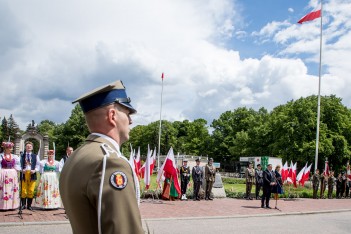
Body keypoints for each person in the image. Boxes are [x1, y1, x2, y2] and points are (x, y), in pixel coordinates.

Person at [59, 80, 144, 234]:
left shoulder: (76, 156)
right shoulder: (109, 161)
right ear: (112, 116)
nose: (131, 120)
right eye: (127, 113)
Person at [0, 141, 21, 210]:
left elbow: (17, 165)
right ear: (5, 148)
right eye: (8, 148)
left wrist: (17, 170)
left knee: (12, 189)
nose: (10, 149)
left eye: (11, 148)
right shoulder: (1, 156)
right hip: (3, 173)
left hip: (12, 173)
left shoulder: (14, 156)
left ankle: (12, 206)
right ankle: (3, 206)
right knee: (4, 189)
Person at [20, 141, 40, 211]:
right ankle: (23, 205)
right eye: (27, 146)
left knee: (31, 190)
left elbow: (38, 165)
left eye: (30, 146)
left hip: (32, 174)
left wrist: (35, 170)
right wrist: (22, 170)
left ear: (32, 148)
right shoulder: (22, 155)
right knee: (23, 190)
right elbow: (18, 164)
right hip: (24, 173)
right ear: (25, 147)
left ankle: (29, 206)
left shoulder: (35, 156)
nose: (29, 147)